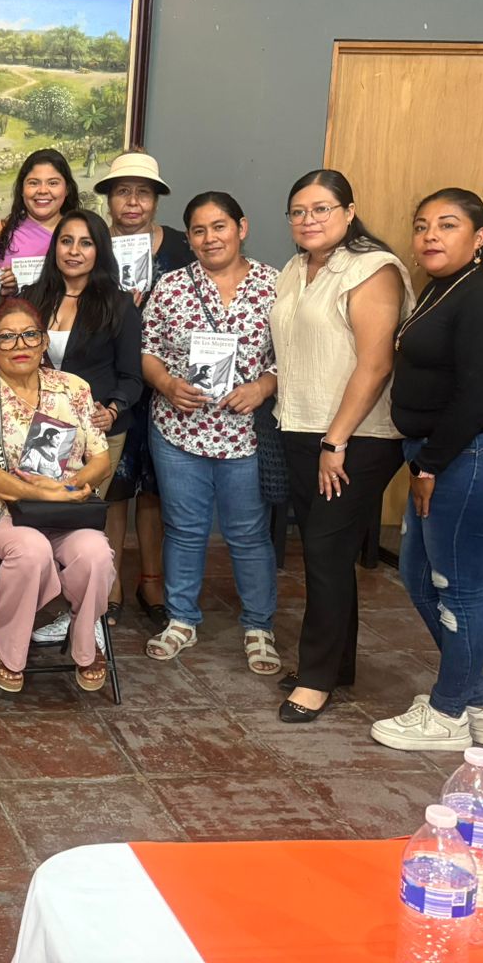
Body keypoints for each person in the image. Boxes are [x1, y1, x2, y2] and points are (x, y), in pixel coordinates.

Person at [370, 188, 483, 751]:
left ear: (480, 236)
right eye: (422, 225)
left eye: (447, 225)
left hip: (476, 457)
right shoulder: (443, 288)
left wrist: (428, 465)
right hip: (448, 456)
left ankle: (447, 715)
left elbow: (475, 396)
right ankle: (475, 701)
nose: (430, 236)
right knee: (420, 577)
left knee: (458, 591)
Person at [271, 170, 411, 724]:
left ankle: (315, 679)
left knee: (326, 555)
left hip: (356, 437)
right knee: (324, 553)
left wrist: (337, 439)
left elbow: (376, 364)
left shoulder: (372, 269)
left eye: (321, 209)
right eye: (298, 211)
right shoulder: (293, 269)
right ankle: (337, 665)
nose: (308, 220)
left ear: (349, 212)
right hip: (301, 428)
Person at [140, 192, 281, 676]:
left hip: (245, 434)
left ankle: (259, 626)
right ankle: (181, 619)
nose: (209, 238)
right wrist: (166, 384)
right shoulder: (172, 286)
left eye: (219, 226)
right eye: (198, 230)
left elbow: (293, 355)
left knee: (248, 533)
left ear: (241, 227)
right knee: (184, 529)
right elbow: (148, 350)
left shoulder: (274, 285)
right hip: (179, 431)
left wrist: (263, 387)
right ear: (189, 238)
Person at [0, 299, 116, 694]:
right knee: (31, 550)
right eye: (6, 338)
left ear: (44, 342)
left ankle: (85, 640)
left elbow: (100, 458)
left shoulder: (73, 388)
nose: (20, 345)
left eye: (30, 335)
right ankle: (7, 645)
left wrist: (68, 490)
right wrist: (43, 493)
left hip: (67, 513)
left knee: (95, 553)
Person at [20, 209, 144, 640]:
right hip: (36, 431)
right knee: (39, 521)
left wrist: (113, 408)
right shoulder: (31, 298)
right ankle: (59, 610)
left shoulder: (118, 304)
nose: (74, 251)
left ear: (99, 250)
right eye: (66, 241)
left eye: (85, 243)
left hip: (96, 432)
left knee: (79, 520)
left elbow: (132, 377)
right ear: (54, 247)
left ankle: (84, 618)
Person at [95, 151, 196, 633]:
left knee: (156, 488)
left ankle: (151, 580)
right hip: (111, 382)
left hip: (169, 387)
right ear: (109, 199)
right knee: (114, 485)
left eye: (143, 192)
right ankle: (111, 580)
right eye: (122, 192)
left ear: (156, 199)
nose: (132, 202)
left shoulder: (179, 247)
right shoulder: (92, 244)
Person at [0, 148, 79, 295]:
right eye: (33, 183)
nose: (43, 190)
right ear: (21, 189)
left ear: (67, 189)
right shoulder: (0, 230)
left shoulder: (82, 233)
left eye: (53, 183)